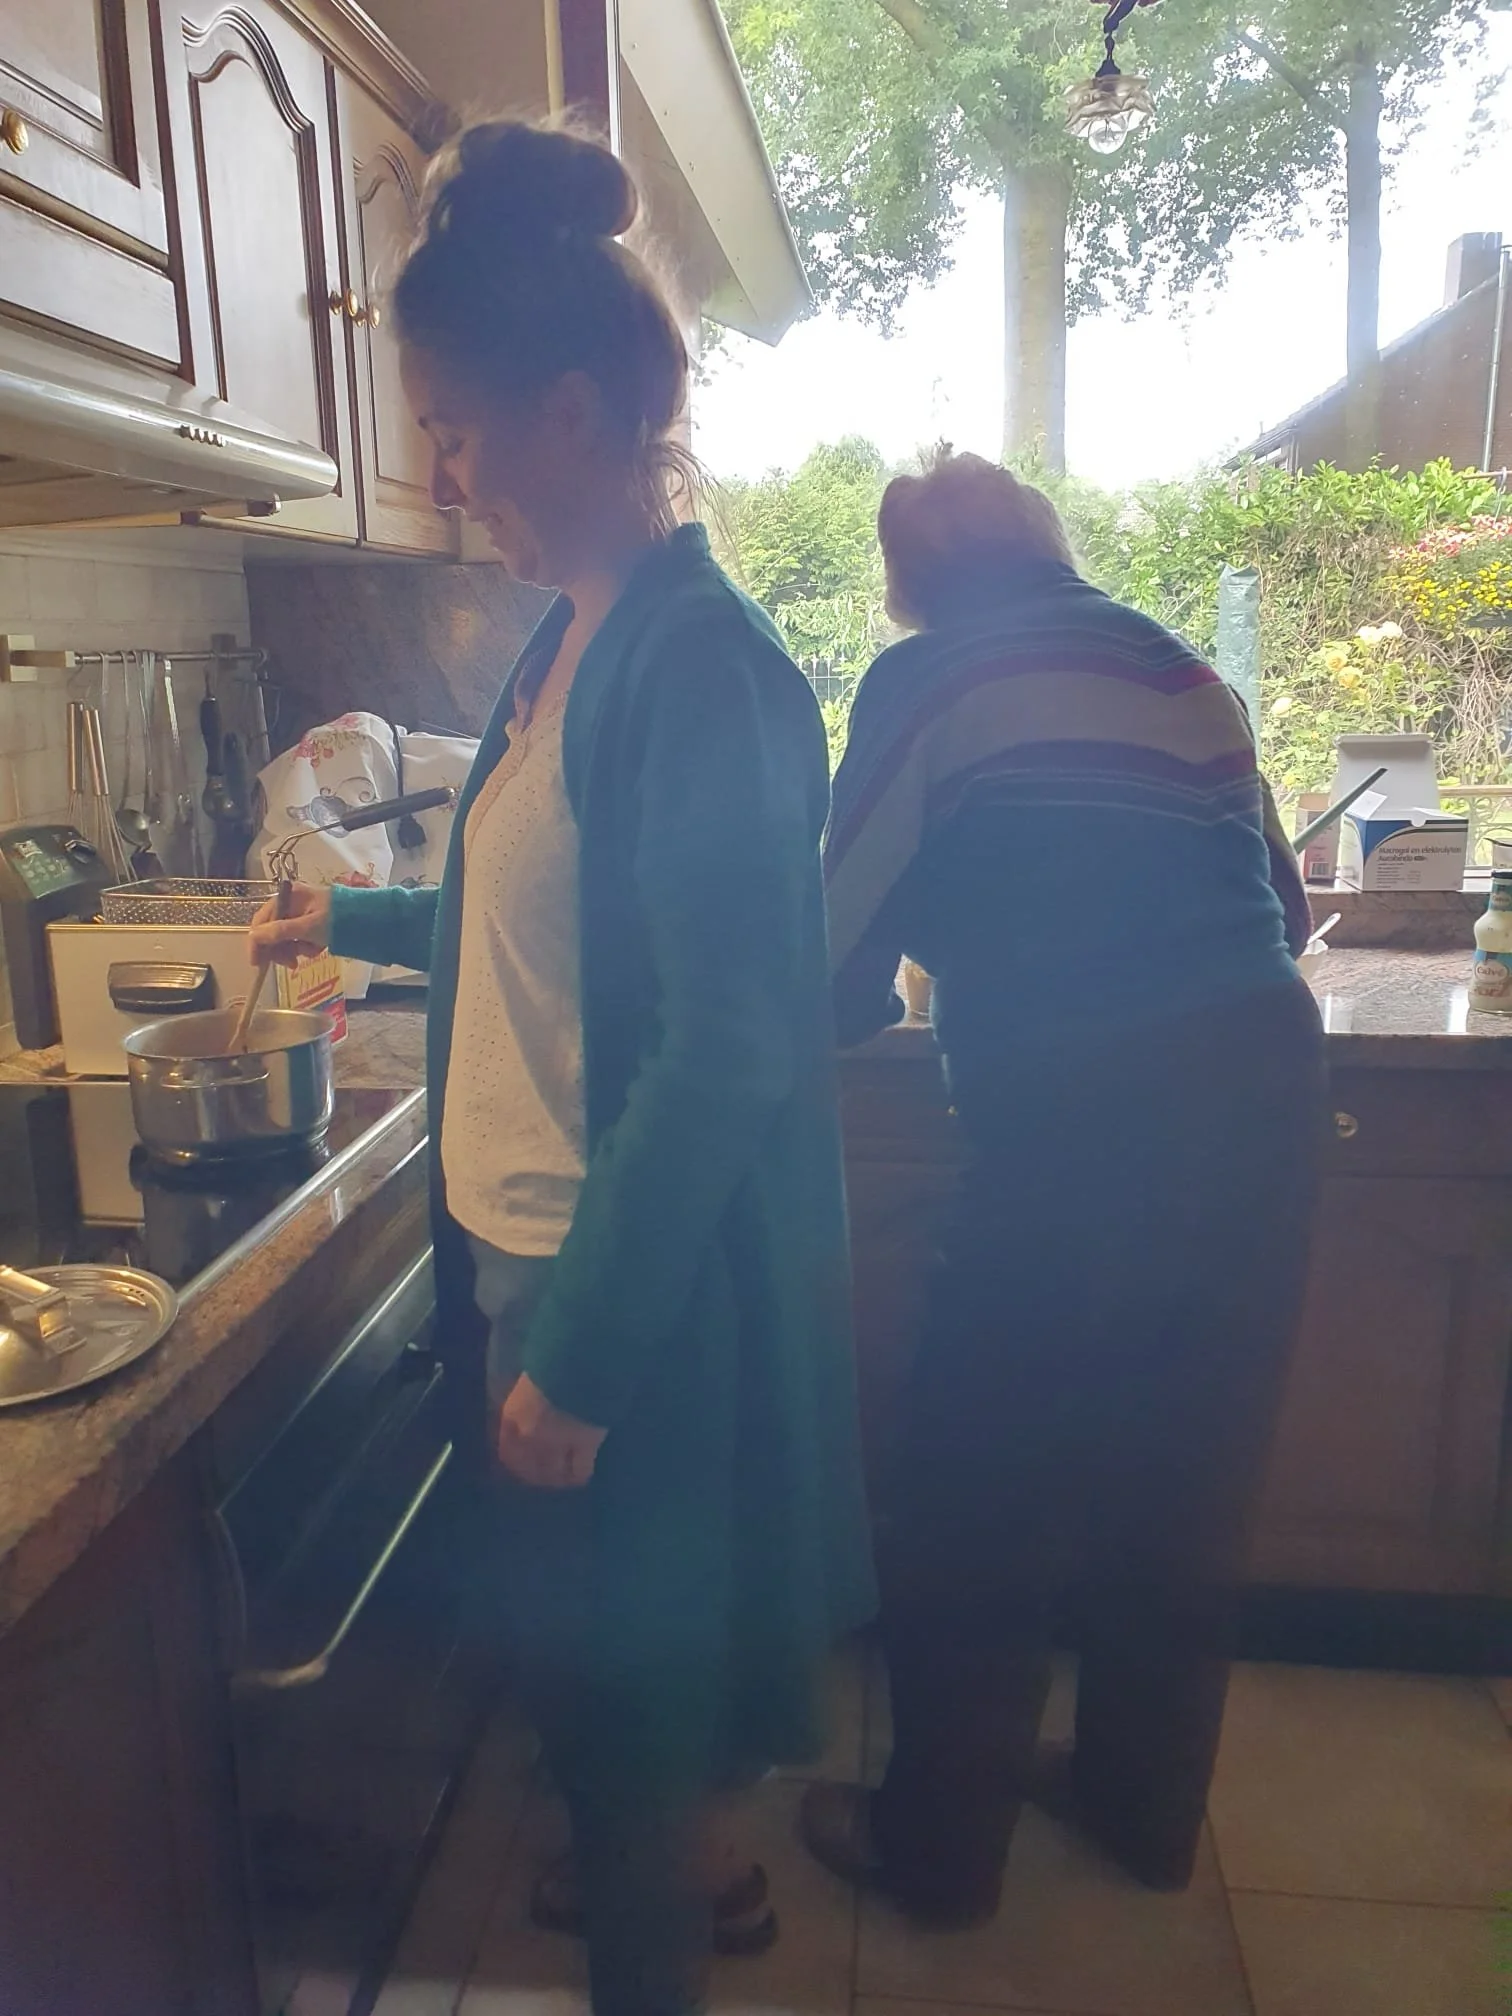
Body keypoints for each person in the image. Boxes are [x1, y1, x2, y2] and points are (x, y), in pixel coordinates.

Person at [251, 119, 873, 2016]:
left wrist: (583, 1355)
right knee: (602, 1736)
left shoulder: (704, 666)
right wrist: (348, 920)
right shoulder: (564, 642)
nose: (441, 471)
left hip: (628, 1300)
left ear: (577, 411)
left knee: (632, 1747)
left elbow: (728, 1041)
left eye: (455, 427)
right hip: (521, 1254)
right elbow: (524, 919)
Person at [801, 450, 1324, 1925]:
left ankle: (937, 1854)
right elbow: (1284, 914)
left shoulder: (925, 682)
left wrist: (879, 991)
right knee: (1185, 1478)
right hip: (1267, 1096)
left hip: (1086, 1120)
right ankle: (1142, 1811)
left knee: (983, 1480)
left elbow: (829, 950)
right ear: (1052, 547)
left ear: (908, 583)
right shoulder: (1182, 670)